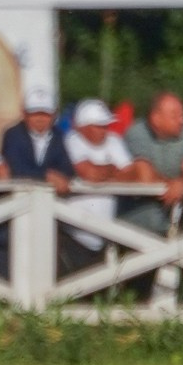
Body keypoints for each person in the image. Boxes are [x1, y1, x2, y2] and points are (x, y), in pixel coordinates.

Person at [119, 90, 183, 239]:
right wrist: (172, 185)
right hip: (135, 216)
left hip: (172, 214)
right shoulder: (136, 132)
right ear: (156, 119)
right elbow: (145, 176)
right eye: (175, 115)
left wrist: (181, 183)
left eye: (182, 114)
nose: (182, 120)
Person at [62, 99, 131, 275]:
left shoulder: (114, 140)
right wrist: (113, 169)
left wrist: (103, 171)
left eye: (106, 125)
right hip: (74, 231)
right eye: (99, 126)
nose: (105, 130)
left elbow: (131, 174)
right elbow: (89, 174)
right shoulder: (72, 140)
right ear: (83, 127)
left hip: (106, 235)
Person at [0, 87, 74, 190]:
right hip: (17, 197)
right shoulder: (13, 134)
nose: (40, 119)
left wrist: (59, 178)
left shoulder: (59, 136)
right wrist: (45, 176)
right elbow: (14, 168)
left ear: (54, 115)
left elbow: (66, 168)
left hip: (50, 198)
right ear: (24, 114)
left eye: (45, 114)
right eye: (34, 114)